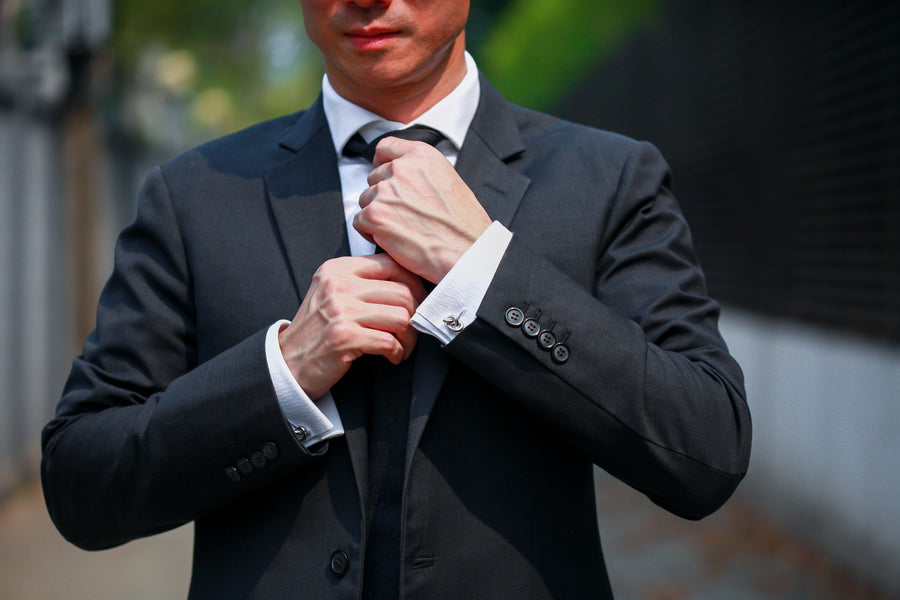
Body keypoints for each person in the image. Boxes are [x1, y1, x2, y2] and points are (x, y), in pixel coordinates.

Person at [41, 0, 752, 598]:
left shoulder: (610, 179)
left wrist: (480, 270)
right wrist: (283, 373)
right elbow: (82, 484)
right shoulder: (194, 194)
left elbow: (704, 453)